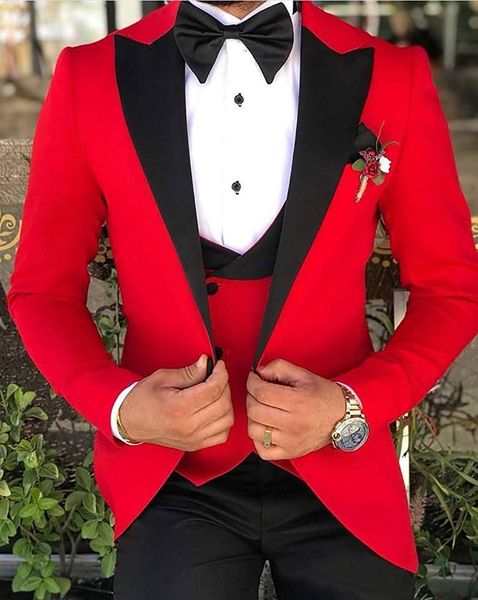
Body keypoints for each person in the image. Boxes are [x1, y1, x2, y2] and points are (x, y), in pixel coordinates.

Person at [7, 1, 478, 598]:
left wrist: (354, 406)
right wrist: (121, 408)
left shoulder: (391, 74)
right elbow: (43, 291)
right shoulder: (90, 76)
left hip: (340, 465)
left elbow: (451, 290)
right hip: (173, 470)